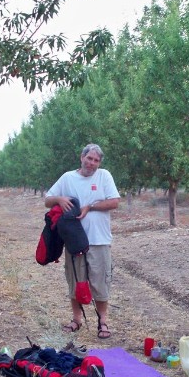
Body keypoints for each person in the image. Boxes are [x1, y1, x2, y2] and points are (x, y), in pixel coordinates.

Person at [45, 144, 120, 339]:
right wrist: (59, 199)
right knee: (76, 281)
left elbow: (114, 202)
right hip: (73, 240)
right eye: (89, 159)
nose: (92, 163)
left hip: (99, 239)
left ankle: (103, 321)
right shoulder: (68, 178)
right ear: (82, 157)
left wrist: (90, 207)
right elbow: (47, 200)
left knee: (100, 281)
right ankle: (77, 319)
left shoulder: (104, 176)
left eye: (96, 160)